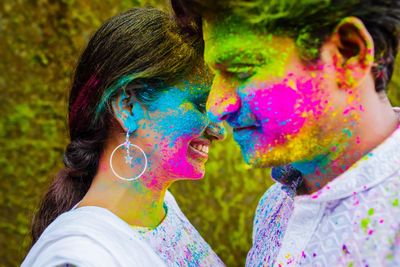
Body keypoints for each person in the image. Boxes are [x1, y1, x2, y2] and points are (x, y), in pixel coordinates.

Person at [172, 0, 400, 266]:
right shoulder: (274, 204)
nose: (215, 108)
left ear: (348, 54)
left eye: (241, 70)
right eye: (215, 77)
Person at [22, 7, 226, 267]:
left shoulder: (162, 211)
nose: (219, 130)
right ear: (128, 107)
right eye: (200, 104)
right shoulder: (80, 257)